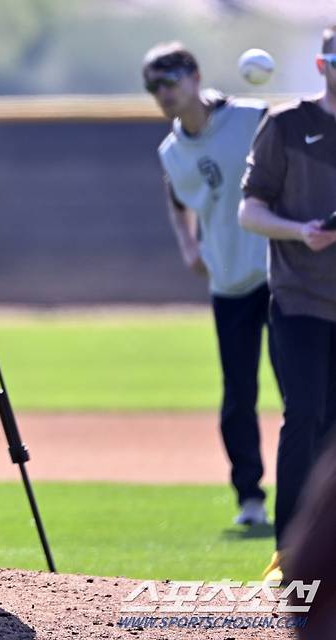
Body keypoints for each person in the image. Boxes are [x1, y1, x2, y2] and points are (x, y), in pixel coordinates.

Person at [143, 42, 278, 527]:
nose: (163, 92)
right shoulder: (172, 151)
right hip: (228, 281)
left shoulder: (252, 117)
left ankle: (312, 502)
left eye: (170, 80)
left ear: (195, 76)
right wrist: (187, 242)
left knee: (306, 393)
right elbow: (176, 193)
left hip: (279, 274)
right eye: (153, 85)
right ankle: (251, 500)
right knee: (238, 396)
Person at [239, 25, 336, 583]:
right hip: (299, 299)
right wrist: (301, 230)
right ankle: (289, 554)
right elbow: (249, 211)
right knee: (303, 415)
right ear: (324, 66)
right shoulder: (287, 125)